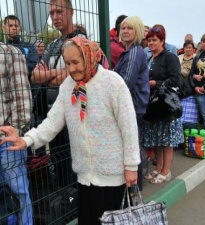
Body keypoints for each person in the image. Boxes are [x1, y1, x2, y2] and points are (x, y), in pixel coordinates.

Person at [0, 37, 140, 225]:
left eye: (76, 62)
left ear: (89, 57)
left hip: (113, 178)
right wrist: (26, 140)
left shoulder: (113, 83)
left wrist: (131, 166)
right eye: (67, 63)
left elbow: (129, 127)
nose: (71, 68)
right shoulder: (68, 87)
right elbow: (51, 122)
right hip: (84, 178)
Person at [31, 0, 86, 187]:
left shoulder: (80, 42)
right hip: (53, 116)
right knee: (58, 166)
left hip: (75, 116)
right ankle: (64, 206)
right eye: (52, 13)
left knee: (75, 167)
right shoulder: (53, 45)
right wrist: (56, 74)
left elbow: (75, 76)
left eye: (59, 12)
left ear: (70, 12)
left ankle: (76, 205)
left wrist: (48, 75)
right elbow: (34, 76)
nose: (55, 17)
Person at [143, 26, 184, 184]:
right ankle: (158, 168)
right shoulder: (150, 58)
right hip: (153, 104)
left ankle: (166, 171)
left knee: (167, 139)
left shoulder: (170, 57)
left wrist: (155, 83)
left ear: (162, 41)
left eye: (154, 40)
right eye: (149, 40)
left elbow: (175, 80)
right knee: (157, 138)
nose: (151, 43)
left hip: (166, 103)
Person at [114, 16, 150, 191]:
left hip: (132, 107)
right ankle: (134, 191)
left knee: (131, 150)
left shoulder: (135, 51)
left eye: (130, 28)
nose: (125, 31)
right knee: (132, 148)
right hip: (133, 106)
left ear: (137, 32)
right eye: (123, 28)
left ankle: (134, 192)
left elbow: (125, 82)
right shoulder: (129, 51)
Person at [0, 43, 32, 224]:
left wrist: (16, 134)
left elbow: (22, 99)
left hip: (7, 140)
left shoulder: (10, 53)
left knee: (18, 192)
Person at [3, 15, 39, 79]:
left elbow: (33, 65)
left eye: (16, 26)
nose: (13, 28)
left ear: (20, 28)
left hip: (28, 85)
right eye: (10, 26)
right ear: (4, 28)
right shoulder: (2, 49)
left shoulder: (30, 47)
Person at [178, 41, 198, 129]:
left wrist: (185, 72)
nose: (188, 49)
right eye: (186, 47)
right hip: (181, 85)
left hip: (192, 84)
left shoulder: (197, 58)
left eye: (190, 47)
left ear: (193, 49)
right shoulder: (178, 58)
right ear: (184, 48)